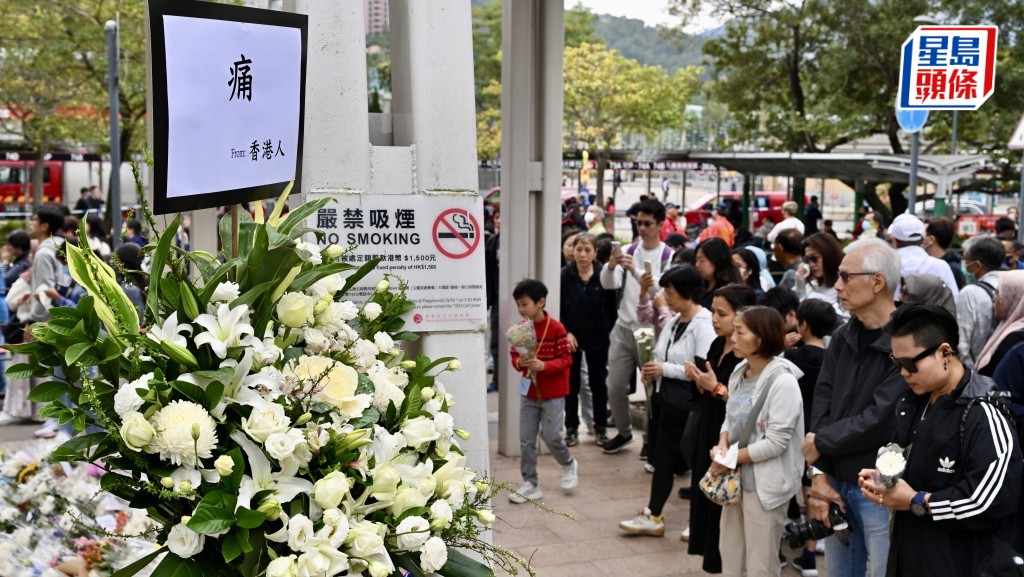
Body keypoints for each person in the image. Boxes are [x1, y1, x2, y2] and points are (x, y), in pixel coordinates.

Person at [857, 304, 1022, 577]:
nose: (903, 373)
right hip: (909, 556)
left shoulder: (982, 410)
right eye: (896, 363)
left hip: (961, 563)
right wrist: (885, 480)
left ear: (945, 352)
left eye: (910, 364)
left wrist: (917, 501)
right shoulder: (915, 401)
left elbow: (987, 500)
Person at [802, 237, 904, 577]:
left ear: (877, 282)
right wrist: (819, 477)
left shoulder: (907, 339)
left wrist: (819, 443)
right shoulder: (843, 335)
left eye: (846, 276)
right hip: (834, 482)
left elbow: (881, 418)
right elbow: (822, 402)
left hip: (880, 486)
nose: (837, 285)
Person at [619, 266, 715, 537]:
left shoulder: (704, 324)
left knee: (697, 462)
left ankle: (699, 521)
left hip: (691, 404)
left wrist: (663, 369)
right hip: (667, 402)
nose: (664, 296)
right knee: (662, 460)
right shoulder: (674, 321)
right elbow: (661, 355)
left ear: (685, 292)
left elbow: (702, 369)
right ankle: (654, 514)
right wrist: (652, 371)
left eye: (669, 291)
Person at [710, 306, 804, 577]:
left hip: (765, 488)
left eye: (740, 332)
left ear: (762, 338)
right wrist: (723, 443)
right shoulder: (740, 370)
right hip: (734, 482)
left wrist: (728, 459)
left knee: (760, 565)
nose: (733, 338)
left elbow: (776, 442)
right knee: (730, 556)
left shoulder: (784, 382)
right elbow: (731, 416)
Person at [683, 283, 756, 572]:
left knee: (727, 508)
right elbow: (709, 389)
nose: (714, 319)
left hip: (732, 435)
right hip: (709, 427)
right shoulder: (717, 344)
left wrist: (714, 387)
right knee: (707, 495)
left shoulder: (747, 354)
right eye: (713, 311)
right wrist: (699, 380)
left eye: (721, 314)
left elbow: (749, 405)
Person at [601, 199, 673, 454]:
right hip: (623, 327)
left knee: (653, 389)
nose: (642, 228)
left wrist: (634, 271)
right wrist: (611, 265)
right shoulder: (629, 249)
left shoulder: (667, 255)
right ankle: (624, 432)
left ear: (660, 224)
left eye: (647, 223)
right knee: (615, 385)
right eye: (638, 223)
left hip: (652, 332)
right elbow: (608, 284)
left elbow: (662, 293)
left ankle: (649, 441)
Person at [507, 279, 578, 503]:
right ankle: (530, 483)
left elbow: (566, 360)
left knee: (552, 436)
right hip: (528, 392)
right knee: (526, 439)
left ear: (540, 302)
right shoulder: (520, 329)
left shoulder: (556, 328)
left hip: (553, 393)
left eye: (524, 304)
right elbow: (514, 356)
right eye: (518, 305)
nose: (521, 309)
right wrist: (521, 362)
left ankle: (568, 463)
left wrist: (544, 366)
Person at [784, 298, 836, 576]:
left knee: (782, 490)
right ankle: (808, 557)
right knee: (812, 491)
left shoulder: (790, 357)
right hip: (818, 435)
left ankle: (776, 551)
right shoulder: (833, 360)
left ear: (802, 325)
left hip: (789, 432)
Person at [0, 208, 65, 427]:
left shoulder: (44, 253)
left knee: (29, 364)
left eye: (34, 220)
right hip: (53, 316)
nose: (30, 223)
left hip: (42, 319)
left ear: (45, 226)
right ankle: (43, 413)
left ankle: (26, 410)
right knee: (45, 366)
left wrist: (33, 321)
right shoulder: (57, 246)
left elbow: (44, 290)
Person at [561, 234, 617, 447]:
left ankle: (600, 426)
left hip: (598, 338)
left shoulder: (604, 275)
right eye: (579, 249)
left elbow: (612, 309)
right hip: (572, 339)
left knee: (598, 384)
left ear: (595, 253)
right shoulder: (564, 275)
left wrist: (609, 334)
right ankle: (571, 427)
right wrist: (566, 332)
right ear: (573, 251)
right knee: (571, 384)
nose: (582, 254)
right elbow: (559, 308)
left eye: (587, 250)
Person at [888, 213, 959, 300]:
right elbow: (954, 299)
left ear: (895, 241)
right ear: (923, 239)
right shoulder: (941, 266)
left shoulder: (884, 266)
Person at [957, 235, 1003, 368]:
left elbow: (962, 343)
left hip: (980, 368)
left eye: (965, 259)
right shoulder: (1012, 286)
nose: (964, 263)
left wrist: (968, 373)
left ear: (977, 265)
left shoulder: (970, 292)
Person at [976, 270, 1024, 377]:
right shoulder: (1008, 327)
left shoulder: (1014, 339)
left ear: (1014, 297)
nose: (994, 298)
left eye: (999, 293)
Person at [793, 232, 848, 320]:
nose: (811, 264)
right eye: (807, 260)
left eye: (814, 258)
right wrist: (799, 282)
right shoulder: (809, 285)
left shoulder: (845, 287)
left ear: (829, 255)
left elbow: (847, 321)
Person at [695, 237, 742, 310]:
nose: (697, 265)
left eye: (702, 260)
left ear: (716, 260)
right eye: (696, 260)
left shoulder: (729, 292)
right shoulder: (701, 286)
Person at [924, 217, 966, 289]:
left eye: (923, 235)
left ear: (931, 239)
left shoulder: (952, 269)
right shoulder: (926, 264)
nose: (920, 238)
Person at [485, 209, 500, 393]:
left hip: (521, 300)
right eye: (497, 217)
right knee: (495, 342)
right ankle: (498, 378)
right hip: (497, 300)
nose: (500, 220)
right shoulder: (492, 242)